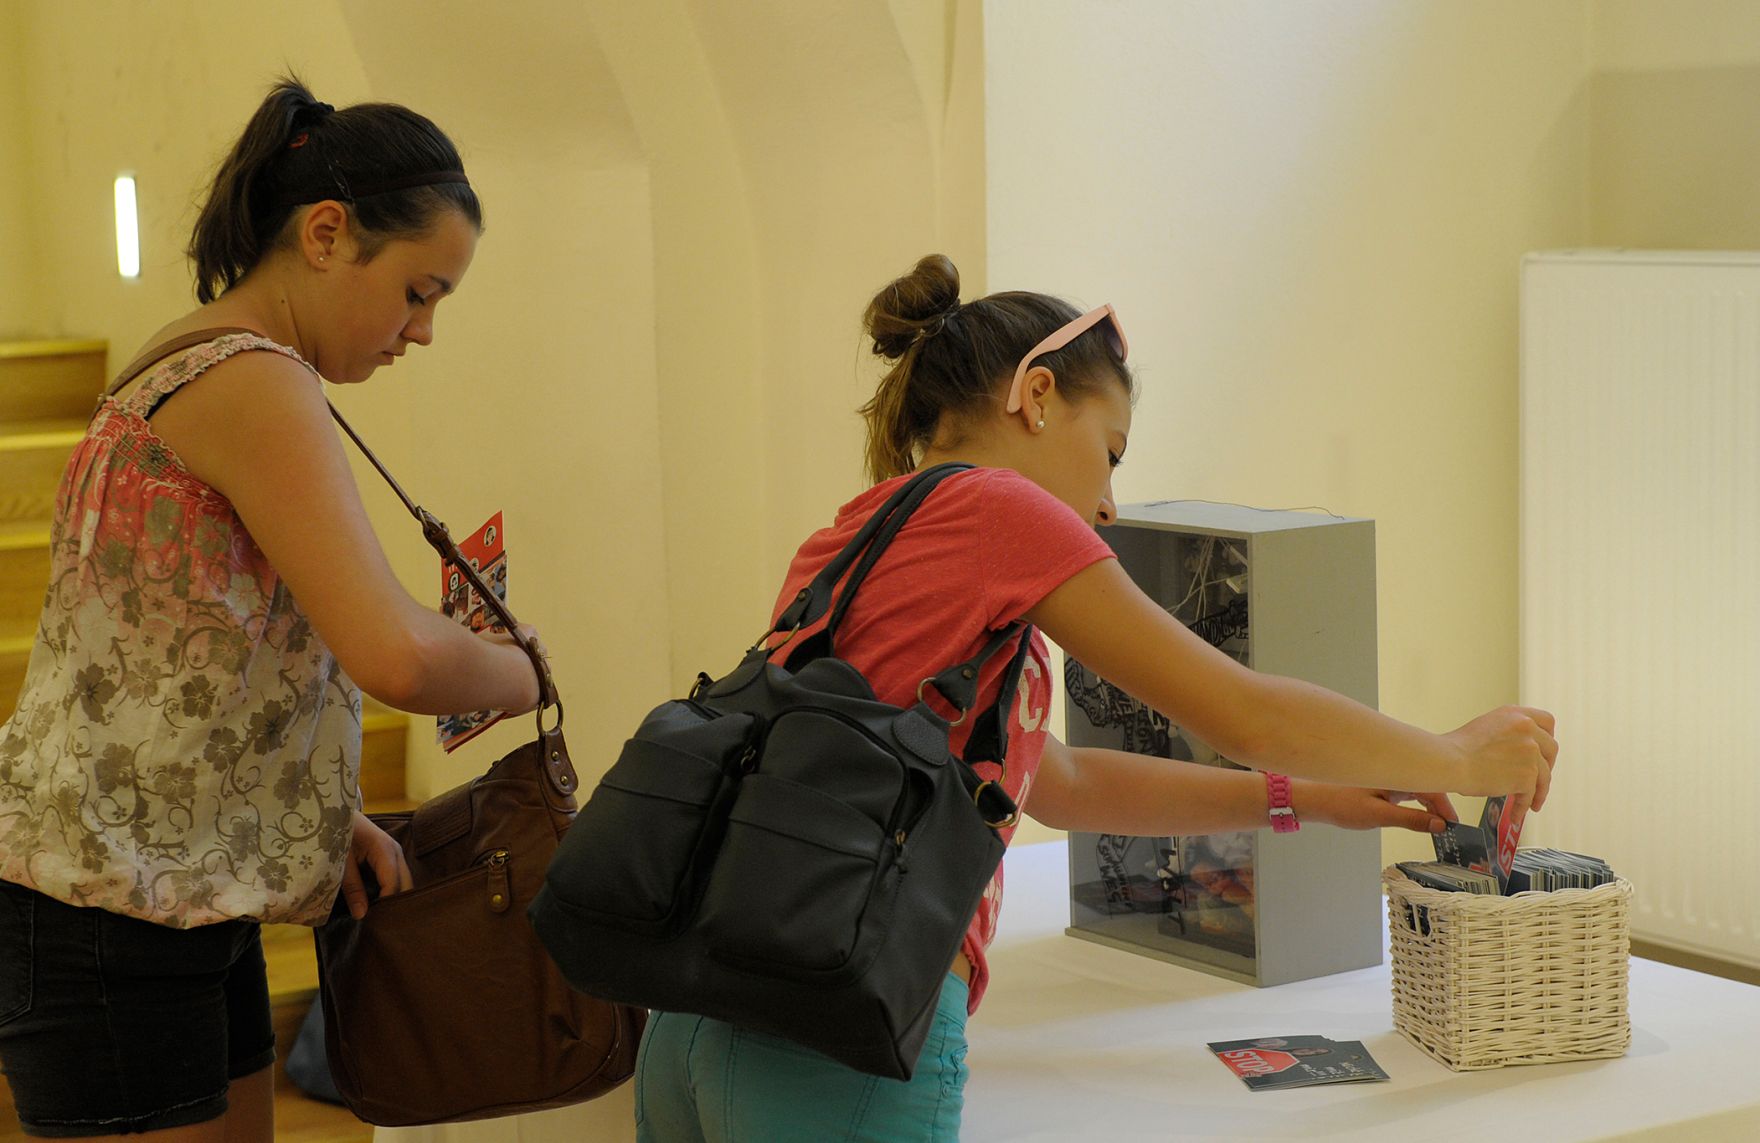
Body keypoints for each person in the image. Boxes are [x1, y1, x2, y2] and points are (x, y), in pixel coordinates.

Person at [632, 253, 1558, 1141]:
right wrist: (1458, 754)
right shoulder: (1001, 511)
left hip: (698, 1016)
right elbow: (1239, 708)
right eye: (1110, 451)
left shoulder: (860, 528)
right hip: (837, 1026)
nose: (1111, 500)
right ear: (1037, 397)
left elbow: (1061, 780)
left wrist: (1299, 799)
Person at [0, 77, 544, 1141]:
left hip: (159, 885)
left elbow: (176, 648)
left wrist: (299, 803)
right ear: (328, 233)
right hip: (109, 908)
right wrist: (528, 671)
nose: (421, 332)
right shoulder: (254, 380)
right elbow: (393, 651)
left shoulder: (203, 358)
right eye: (418, 291)